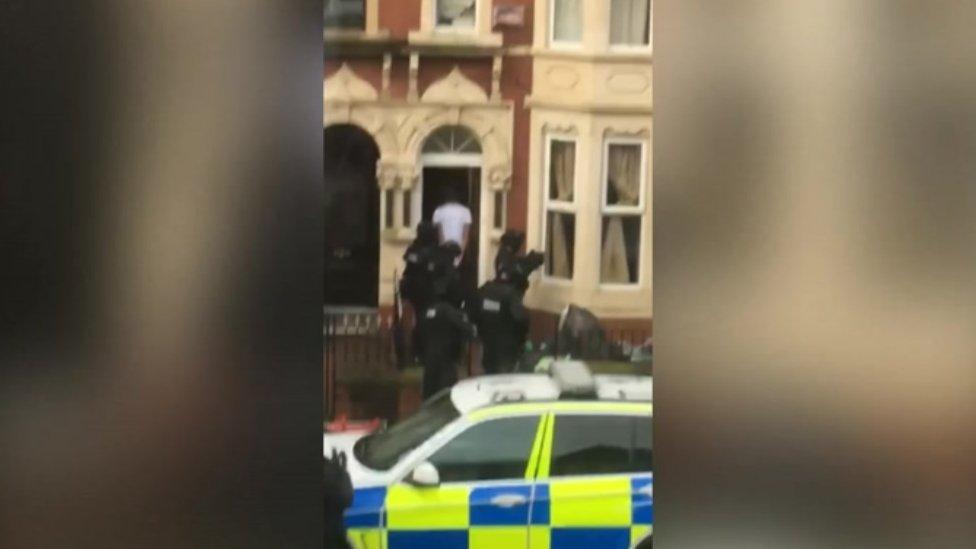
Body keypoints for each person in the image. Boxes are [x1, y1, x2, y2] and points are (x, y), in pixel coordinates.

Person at [416, 246, 477, 398]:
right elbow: (469, 331)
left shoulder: (427, 314)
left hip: (429, 363)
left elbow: (418, 335)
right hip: (446, 363)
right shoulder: (449, 313)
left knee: (428, 397)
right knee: (445, 399)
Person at [431, 186, 471, 266]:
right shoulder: (465, 211)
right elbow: (465, 236)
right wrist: (461, 254)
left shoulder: (438, 211)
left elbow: (439, 235)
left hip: (444, 250)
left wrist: (443, 252)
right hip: (459, 249)